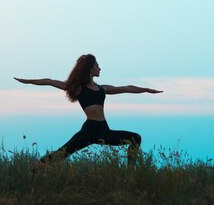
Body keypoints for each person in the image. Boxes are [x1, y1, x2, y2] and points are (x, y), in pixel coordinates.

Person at [14, 54, 162, 165]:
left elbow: (125, 88)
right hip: (89, 130)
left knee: (135, 138)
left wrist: (147, 89)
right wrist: (28, 81)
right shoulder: (78, 88)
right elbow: (50, 81)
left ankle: (131, 172)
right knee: (62, 153)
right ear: (90, 68)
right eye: (97, 65)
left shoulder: (101, 88)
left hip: (104, 130)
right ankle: (35, 168)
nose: (100, 68)